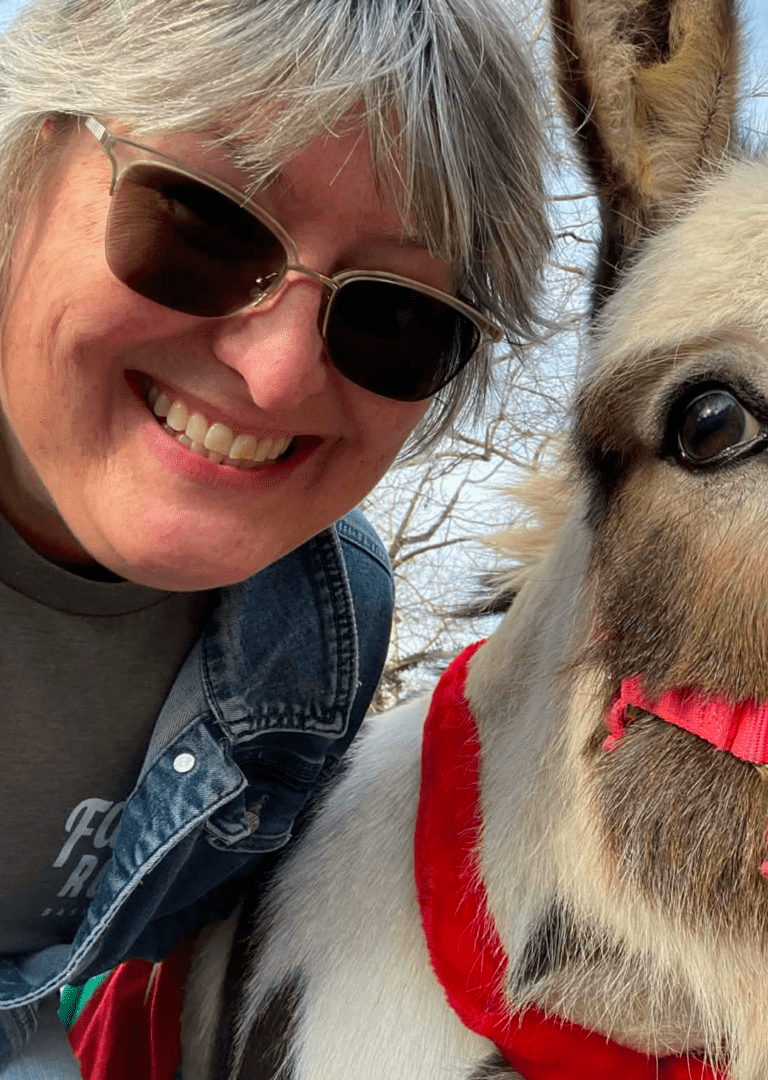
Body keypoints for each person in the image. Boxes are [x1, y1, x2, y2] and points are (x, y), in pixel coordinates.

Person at [0, 0, 552, 1073]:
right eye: (200, 225)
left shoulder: (320, 629)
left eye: (393, 319)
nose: (278, 373)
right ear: (28, 162)